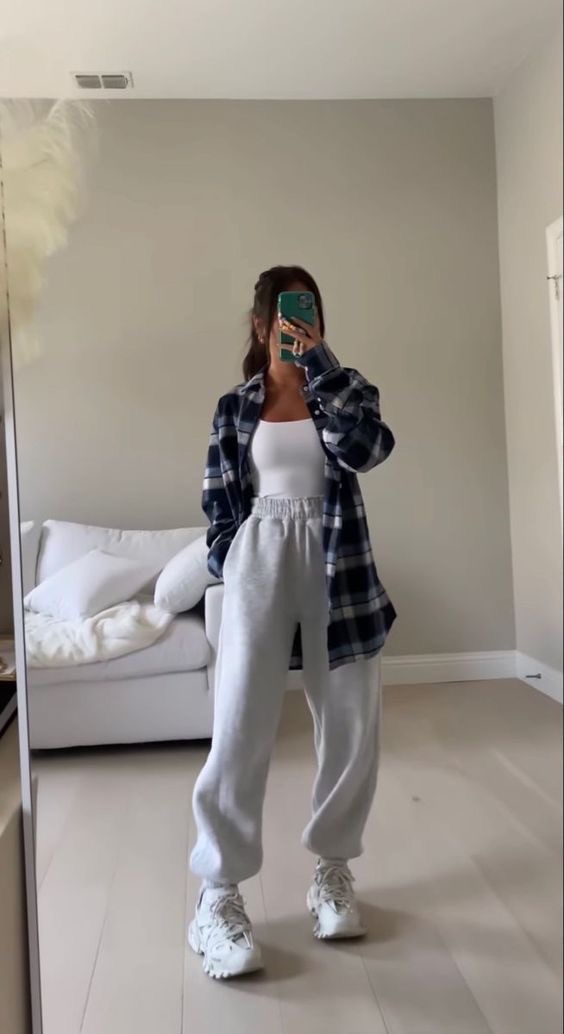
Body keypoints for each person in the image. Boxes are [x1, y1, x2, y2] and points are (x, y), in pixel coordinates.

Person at [188, 265, 396, 979]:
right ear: (260, 324)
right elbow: (218, 501)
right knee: (240, 723)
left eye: (308, 312)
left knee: (350, 721)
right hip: (260, 557)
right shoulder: (234, 406)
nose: (298, 324)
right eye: (284, 314)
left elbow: (368, 450)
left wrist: (321, 367)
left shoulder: (346, 387)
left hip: (340, 561)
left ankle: (332, 872)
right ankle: (217, 895)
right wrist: (234, 555)